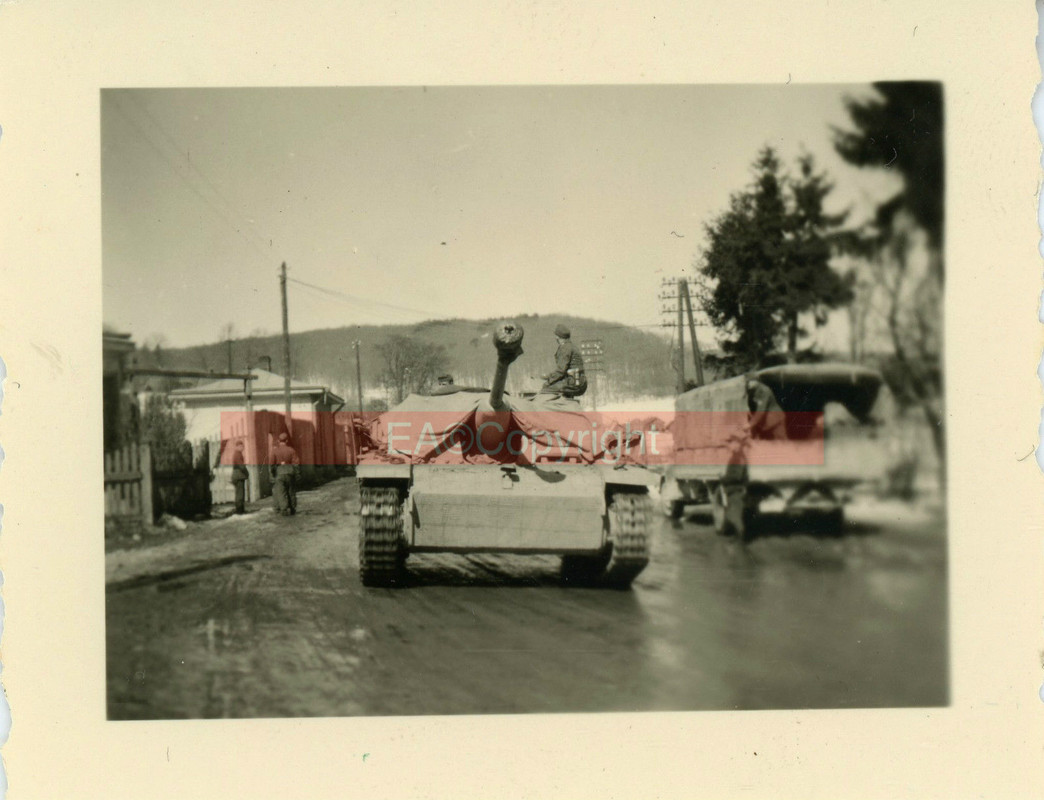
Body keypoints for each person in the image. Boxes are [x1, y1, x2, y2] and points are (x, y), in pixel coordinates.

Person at [540, 324, 587, 397]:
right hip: (579, 382)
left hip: (573, 383)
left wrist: (549, 381)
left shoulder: (565, 348)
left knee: (545, 389)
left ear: (558, 337)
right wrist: (549, 376)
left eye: (556, 336)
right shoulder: (571, 346)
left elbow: (561, 371)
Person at [269, 431, 300, 516]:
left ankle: (284, 509)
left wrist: (273, 473)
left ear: (279, 441)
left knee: (281, 492)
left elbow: (271, 464)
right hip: (290, 472)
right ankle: (293, 508)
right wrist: (297, 474)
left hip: (279, 473)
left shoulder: (275, 451)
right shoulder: (291, 450)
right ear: (286, 441)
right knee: (291, 491)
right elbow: (296, 463)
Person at [230, 440, 250, 514]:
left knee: (240, 493)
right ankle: (239, 510)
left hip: (238, 476)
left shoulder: (237, 453)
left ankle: (240, 509)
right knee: (240, 494)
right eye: (241, 446)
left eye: (243, 446)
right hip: (239, 476)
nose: (243, 448)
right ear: (237, 446)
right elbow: (241, 466)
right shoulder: (237, 454)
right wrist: (247, 473)